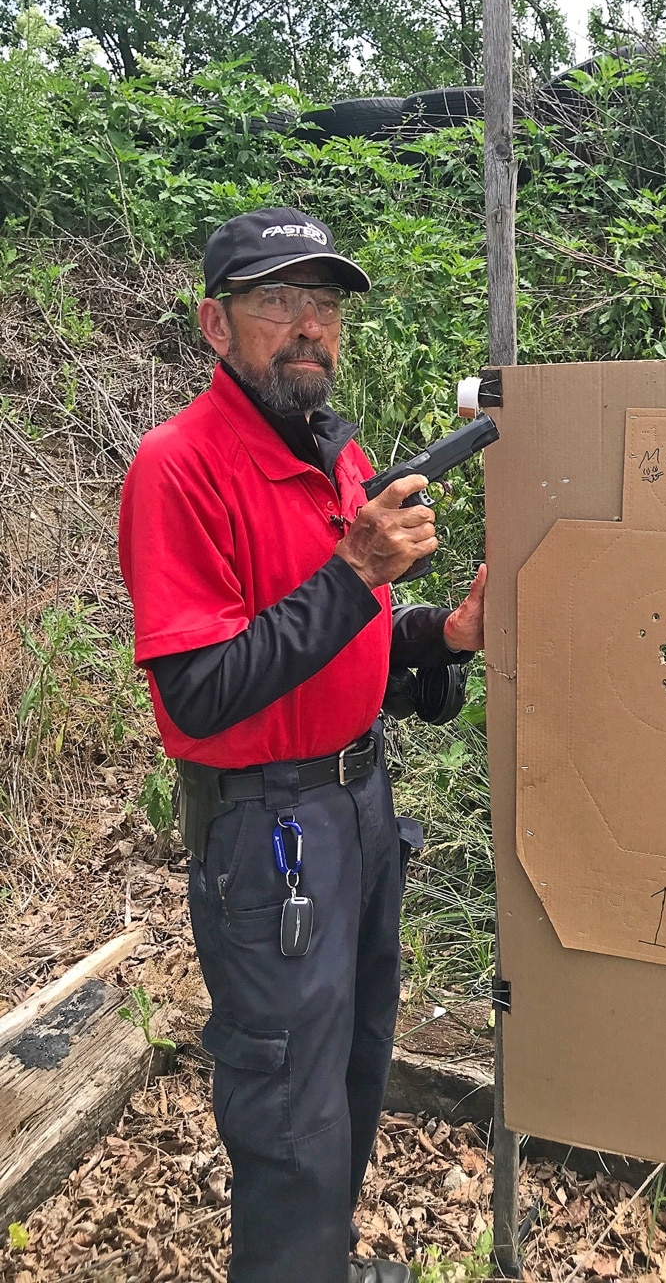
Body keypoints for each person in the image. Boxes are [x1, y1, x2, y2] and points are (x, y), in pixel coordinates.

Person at [118, 207, 486, 1283]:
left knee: (358, 1060)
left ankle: (319, 1263)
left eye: (322, 303)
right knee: (286, 1103)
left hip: (359, 809)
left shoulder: (338, 454)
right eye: (276, 299)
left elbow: (350, 640)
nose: (307, 325)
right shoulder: (176, 467)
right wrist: (357, 573)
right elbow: (200, 693)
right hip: (265, 826)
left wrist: (439, 634)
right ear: (215, 325)